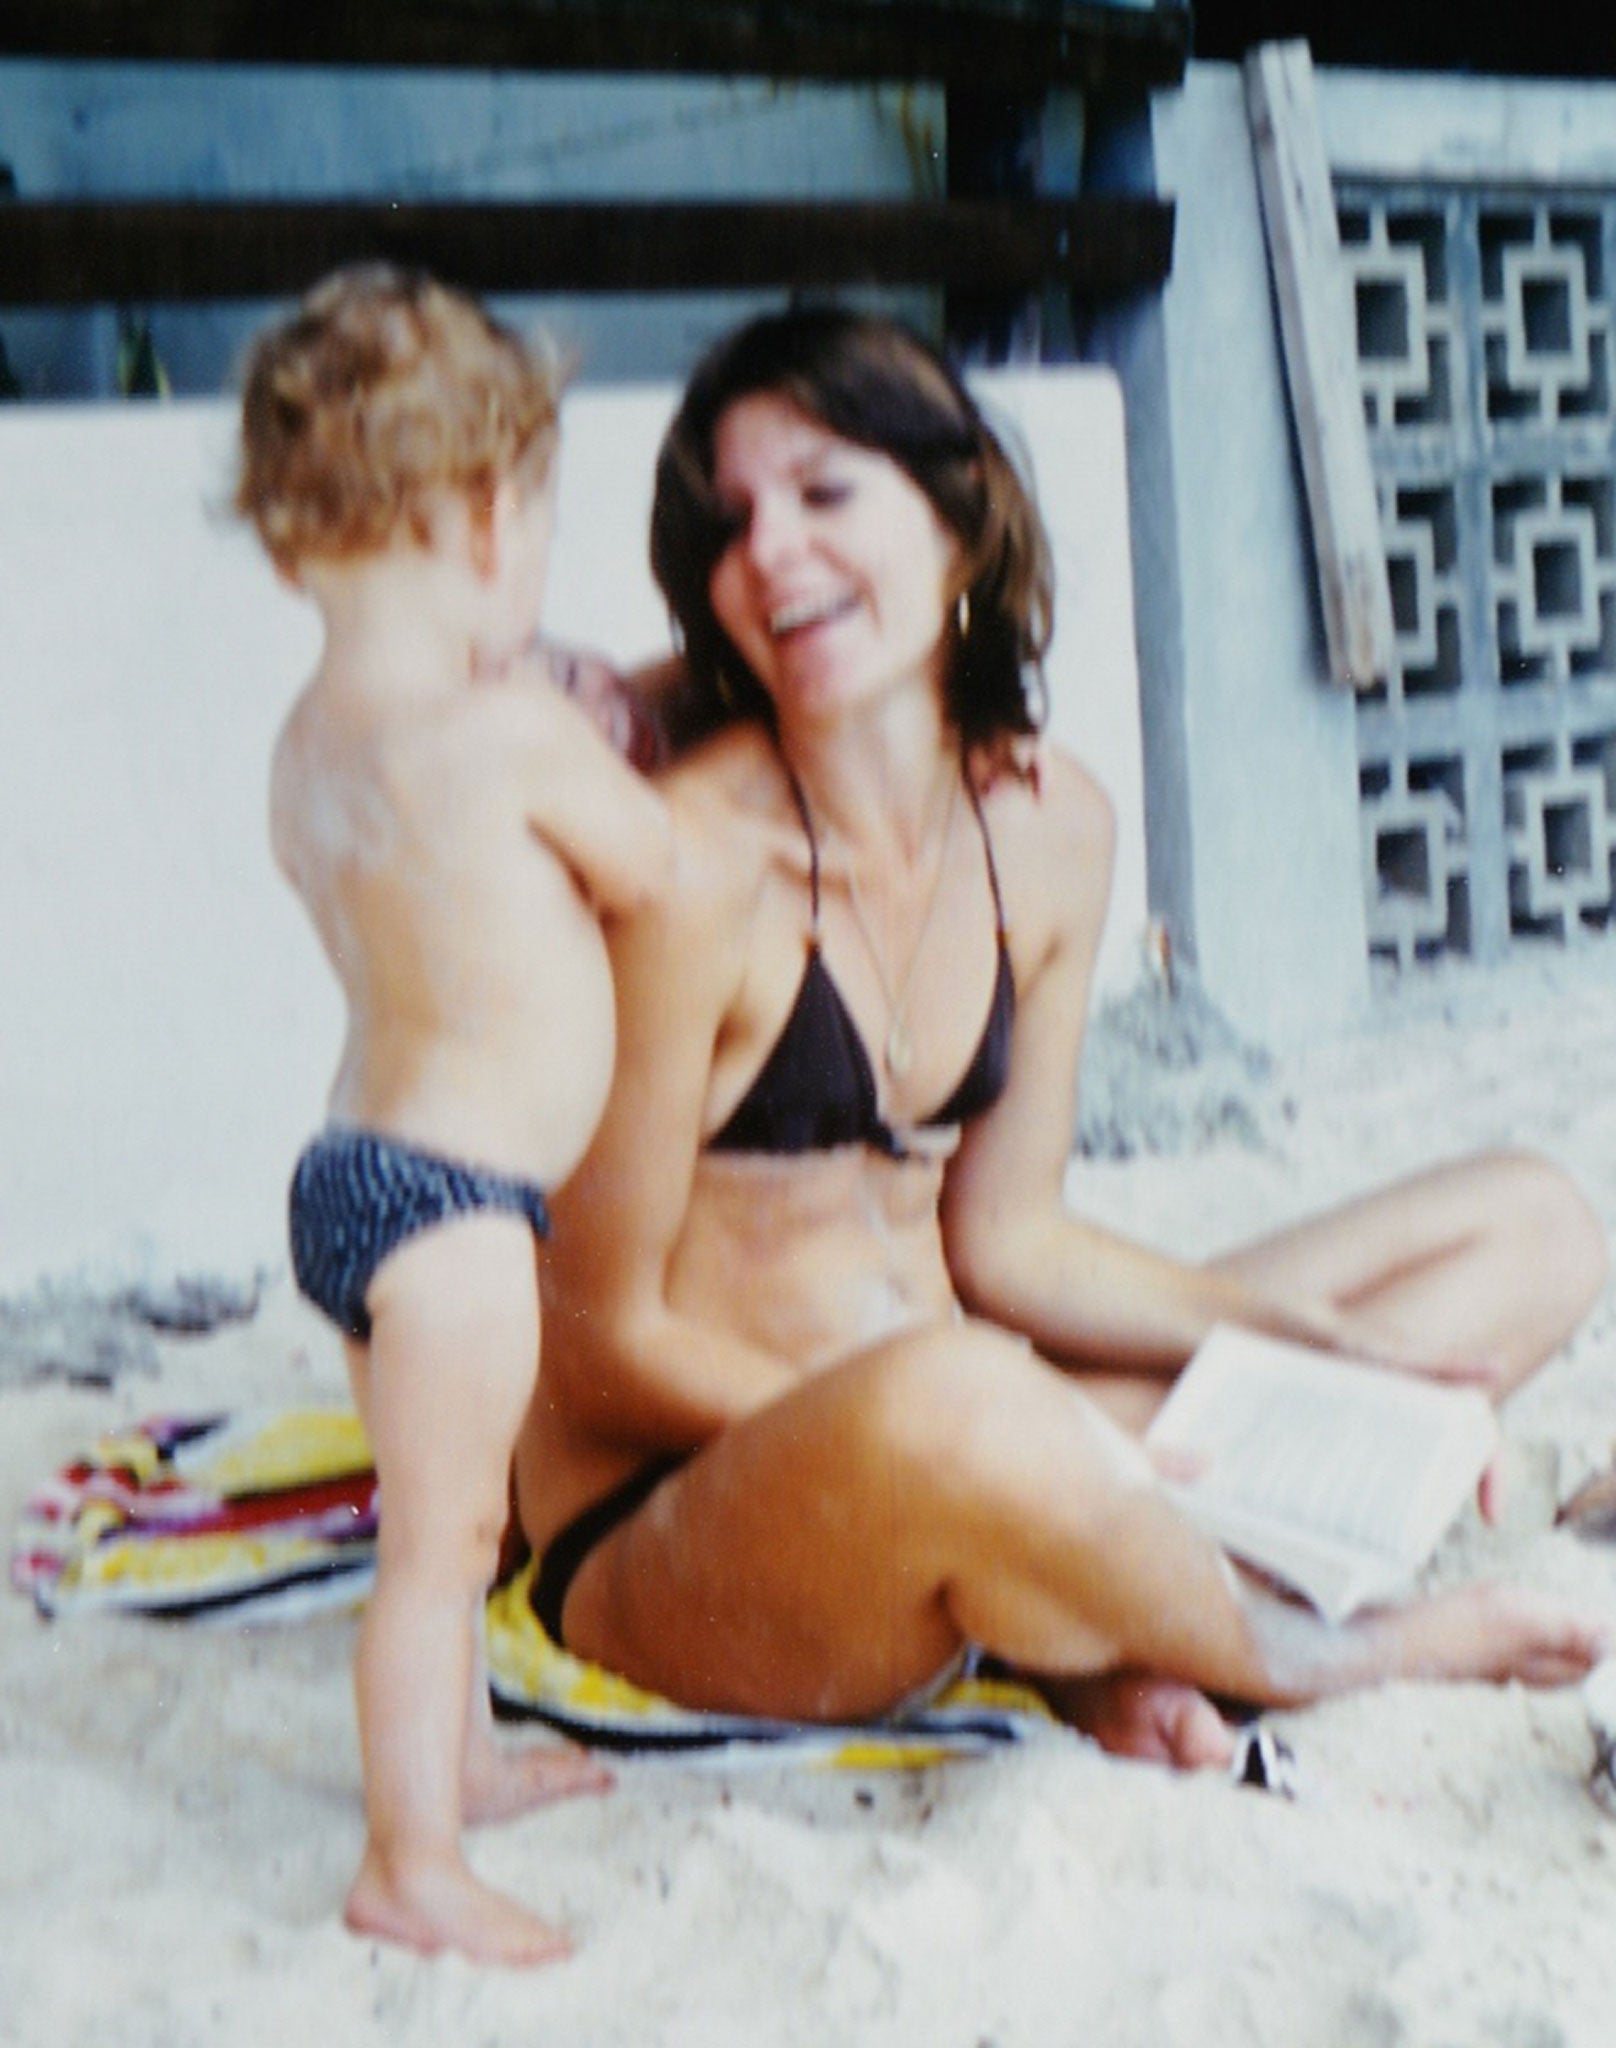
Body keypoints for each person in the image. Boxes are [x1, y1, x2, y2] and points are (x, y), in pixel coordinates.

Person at [511, 303, 1611, 1768]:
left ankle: (1084, 1600)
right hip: (683, 1517)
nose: (769, 550)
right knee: (960, 1405)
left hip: (967, 1405)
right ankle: (1296, 1649)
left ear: (965, 520)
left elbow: (1011, 1246)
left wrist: (1310, 1342)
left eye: (828, 492)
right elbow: (597, 1343)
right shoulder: (685, 872)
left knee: (1531, 1225)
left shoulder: (1052, 827)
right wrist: (1026, 1445)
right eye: (728, 526)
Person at [237, 266, 671, 1964]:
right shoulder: (505, 734)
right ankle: (409, 1857)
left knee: (439, 1526)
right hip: (458, 1212)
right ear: (495, 521)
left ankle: (464, 1766)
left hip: (351, 1182)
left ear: (291, 547)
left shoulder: (307, 743)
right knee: (439, 1550)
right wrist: (604, 735)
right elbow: (649, 867)